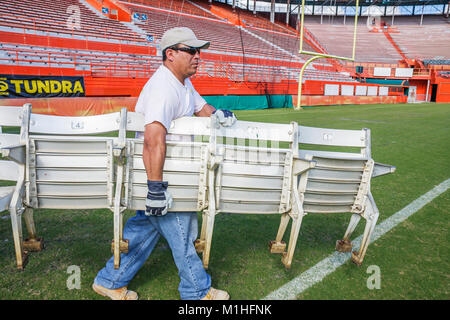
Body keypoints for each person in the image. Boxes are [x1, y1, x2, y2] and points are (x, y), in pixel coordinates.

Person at [92, 27, 236, 300]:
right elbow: (153, 140)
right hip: (162, 174)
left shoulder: (181, 83)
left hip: (170, 172)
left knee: (145, 227)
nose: (198, 56)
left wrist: (218, 115)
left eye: (199, 51)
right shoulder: (162, 87)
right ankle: (197, 290)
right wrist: (156, 188)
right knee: (181, 226)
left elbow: (201, 108)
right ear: (170, 54)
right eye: (191, 51)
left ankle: (110, 280)